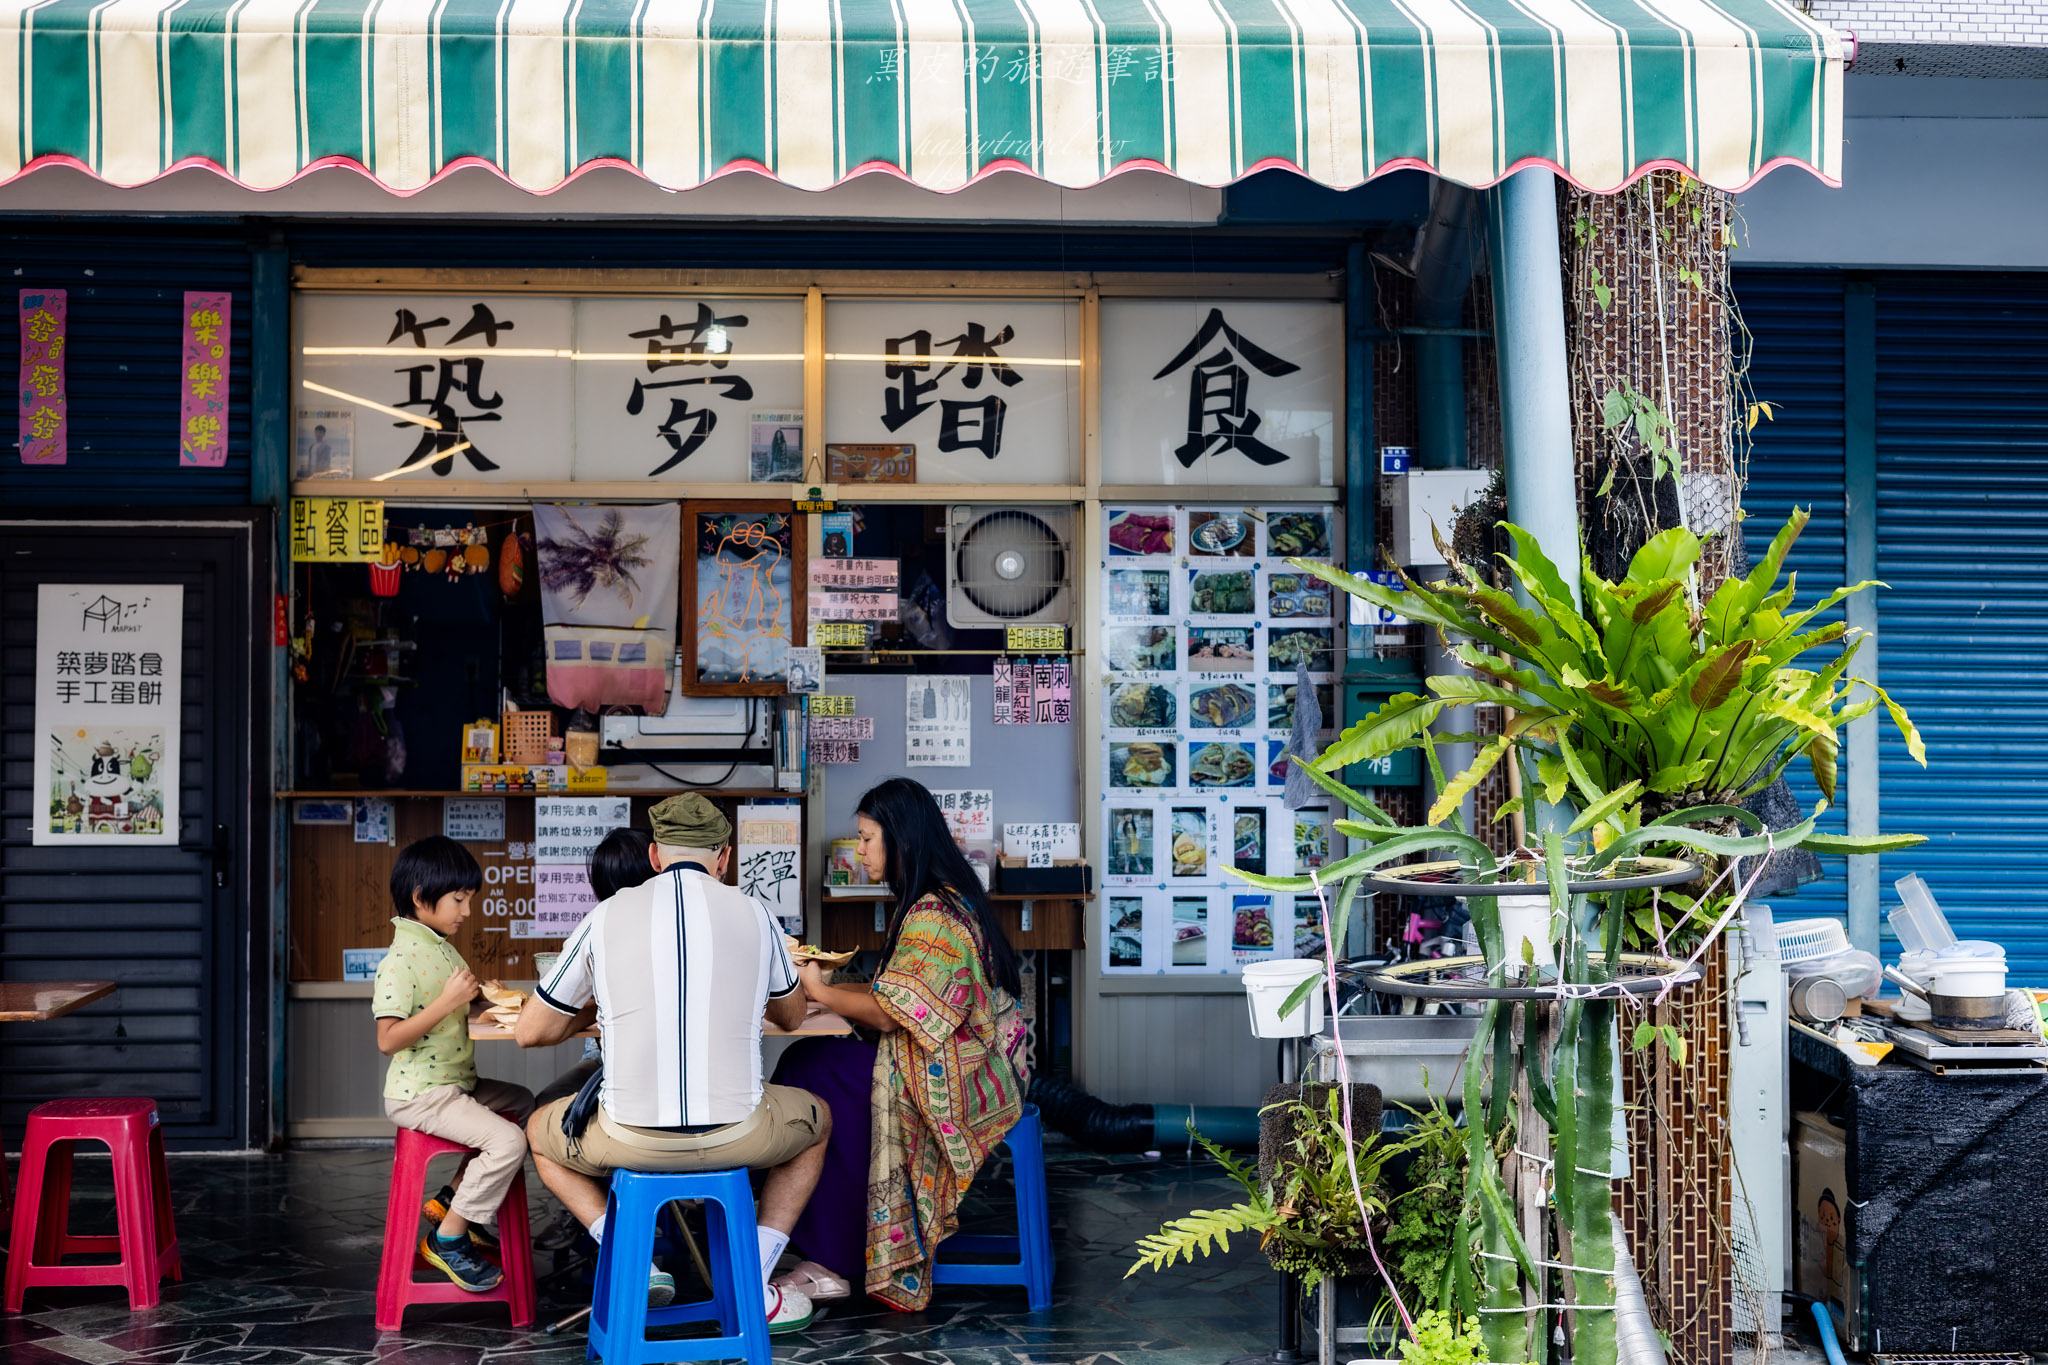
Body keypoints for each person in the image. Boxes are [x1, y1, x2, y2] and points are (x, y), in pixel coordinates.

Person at [516, 794, 827, 1331]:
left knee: (539, 1132)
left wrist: (598, 1003)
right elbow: (793, 1015)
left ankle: (632, 1260)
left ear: (655, 855)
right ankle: (755, 1267)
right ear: (724, 857)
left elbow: (531, 1031)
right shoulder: (756, 912)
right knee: (817, 1119)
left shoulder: (606, 915)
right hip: (741, 1134)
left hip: (628, 1137)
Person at [774, 777, 1030, 1312]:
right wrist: (836, 998)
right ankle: (831, 1238)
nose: (860, 849)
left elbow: (894, 1013)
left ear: (901, 839)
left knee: (818, 1078)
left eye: (867, 838)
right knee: (813, 1064)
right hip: (966, 1060)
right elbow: (902, 992)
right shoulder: (938, 901)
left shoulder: (934, 916)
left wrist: (820, 989)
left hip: (962, 1078)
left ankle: (832, 1258)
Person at [372, 836, 535, 1293]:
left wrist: (481, 998)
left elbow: (452, 1004)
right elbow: (387, 1040)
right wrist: (447, 1003)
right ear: (422, 897)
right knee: (507, 1142)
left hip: (456, 1082)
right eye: (459, 900)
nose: (466, 911)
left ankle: (452, 1199)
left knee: (523, 1102)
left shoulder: (439, 945)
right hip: (422, 1094)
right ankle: (448, 1238)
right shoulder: (400, 960)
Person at [531, 826, 657, 1110]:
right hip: (693, 1078)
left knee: (544, 1108)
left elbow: (530, 1032)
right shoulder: (691, 924)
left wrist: (591, 1008)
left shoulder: (599, 925)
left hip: (624, 1071)